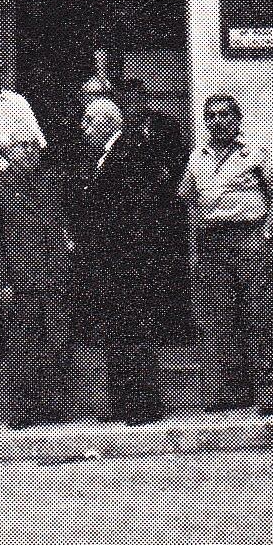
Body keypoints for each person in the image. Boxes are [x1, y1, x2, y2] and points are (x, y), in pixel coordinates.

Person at [179, 95, 273, 415]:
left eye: (225, 115)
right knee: (221, 319)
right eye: (211, 116)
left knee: (260, 316)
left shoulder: (255, 152)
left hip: (250, 238)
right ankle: (233, 390)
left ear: (237, 119)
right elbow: (187, 200)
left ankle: (270, 392)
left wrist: (266, 236)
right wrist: (196, 242)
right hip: (213, 243)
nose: (218, 122)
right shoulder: (198, 157)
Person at [70, 98, 167, 424]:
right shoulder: (103, 156)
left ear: (106, 123)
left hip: (128, 262)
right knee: (119, 331)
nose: (83, 127)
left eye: (88, 121)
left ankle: (142, 406)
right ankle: (126, 404)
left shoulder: (131, 153)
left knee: (133, 331)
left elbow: (137, 211)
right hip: (112, 262)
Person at [0, 136, 75, 429]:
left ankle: (54, 410)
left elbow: (65, 226)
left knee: (57, 346)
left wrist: (65, 271)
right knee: (22, 349)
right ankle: (23, 412)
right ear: (8, 152)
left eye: (32, 146)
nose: (26, 152)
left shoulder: (53, 182)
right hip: (18, 284)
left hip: (54, 282)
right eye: (19, 147)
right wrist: (0, 281)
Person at [121, 80, 192, 345]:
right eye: (127, 102)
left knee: (169, 265)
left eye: (137, 100)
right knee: (140, 269)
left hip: (166, 209)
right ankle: (143, 328)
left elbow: (180, 162)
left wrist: (167, 176)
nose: (132, 106)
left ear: (145, 100)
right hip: (136, 212)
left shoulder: (165, 126)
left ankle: (174, 329)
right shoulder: (122, 131)